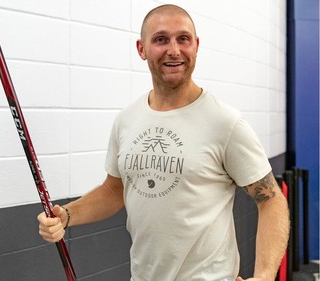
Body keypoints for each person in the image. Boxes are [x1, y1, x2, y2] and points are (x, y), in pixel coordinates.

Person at [37, 4, 289, 281]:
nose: (174, 50)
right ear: (141, 48)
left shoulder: (225, 122)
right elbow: (114, 189)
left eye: (183, 39)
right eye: (160, 39)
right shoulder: (127, 119)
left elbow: (271, 201)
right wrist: (67, 216)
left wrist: (264, 275)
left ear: (196, 46)